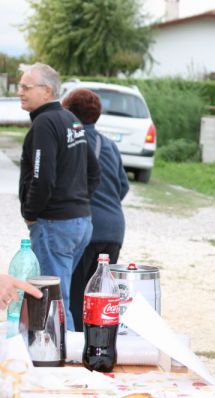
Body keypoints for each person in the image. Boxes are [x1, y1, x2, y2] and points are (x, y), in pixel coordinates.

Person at [18, 63, 100, 331]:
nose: (20, 92)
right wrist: (79, 204)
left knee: (55, 300)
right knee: (59, 294)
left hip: (54, 224)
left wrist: (31, 214)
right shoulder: (71, 120)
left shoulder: (45, 123)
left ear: (47, 90)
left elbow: (43, 178)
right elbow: (93, 172)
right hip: (80, 223)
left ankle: (65, 363)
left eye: (26, 87)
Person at [62, 88, 130, 332]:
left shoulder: (72, 140)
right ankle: (99, 344)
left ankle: (78, 350)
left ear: (68, 112)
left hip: (87, 228)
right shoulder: (108, 144)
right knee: (101, 296)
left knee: (78, 294)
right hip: (114, 230)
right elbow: (123, 186)